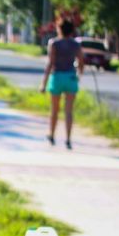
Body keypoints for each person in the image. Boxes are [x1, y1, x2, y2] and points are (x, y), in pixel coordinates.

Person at [40, 19, 83, 149]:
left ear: (59, 29)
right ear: (71, 30)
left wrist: (43, 83)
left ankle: (52, 136)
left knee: (55, 110)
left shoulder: (54, 43)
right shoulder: (76, 44)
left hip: (57, 77)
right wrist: (78, 75)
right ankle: (68, 139)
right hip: (70, 77)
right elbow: (81, 62)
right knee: (69, 111)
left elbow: (50, 63)